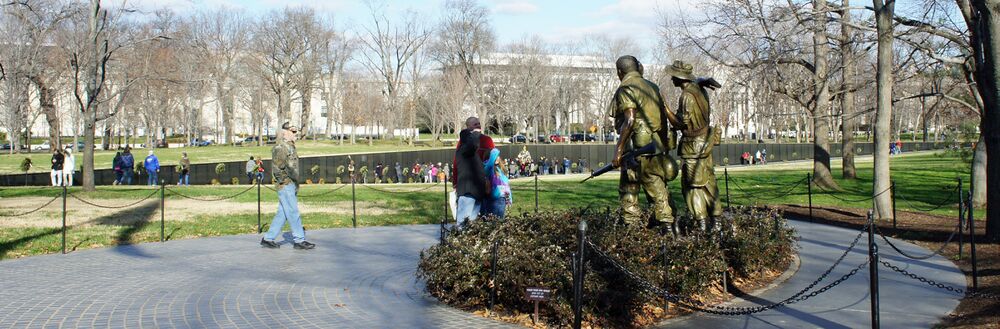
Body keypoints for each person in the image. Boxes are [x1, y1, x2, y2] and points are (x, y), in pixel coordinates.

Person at [609, 55, 678, 228]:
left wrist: (618, 150)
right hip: (655, 145)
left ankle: (634, 226)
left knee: (631, 189)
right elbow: (663, 118)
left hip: (637, 148)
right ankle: (668, 225)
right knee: (656, 185)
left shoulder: (626, 88)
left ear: (619, 71)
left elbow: (630, 120)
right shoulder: (652, 86)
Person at [667, 60, 723, 230]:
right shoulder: (699, 90)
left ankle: (702, 224)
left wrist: (665, 109)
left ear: (680, 77)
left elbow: (681, 123)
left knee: (692, 187)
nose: (671, 79)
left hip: (693, 147)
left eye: (673, 76)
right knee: (709, 182)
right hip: (705, 142)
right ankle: (717, 221)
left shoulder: (686, 96)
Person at [260, 122, 315, 250]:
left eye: (296, 131)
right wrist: (286, 182)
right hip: (286, 185)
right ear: (285, 132)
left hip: (291, 184)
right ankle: (299, 240)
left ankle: (268, 238)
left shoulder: (290, 147)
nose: (296, 134)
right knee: (293, 212)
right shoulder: (281, 148)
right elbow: (277, 170)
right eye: (293, 131)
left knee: (283, 213)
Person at [454, 117, 491, 225]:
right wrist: (475, 134)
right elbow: (472, 145)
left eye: (479, 123)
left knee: (472, 223)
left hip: (477, 191)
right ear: (469, 127)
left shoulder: (472, 151)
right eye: (475, 124)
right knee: (463, 223)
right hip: (468, 192)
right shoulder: (464, 147)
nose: (478, 125)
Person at [481, 148, 511, 219]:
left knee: (498, 221)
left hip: (502, 199)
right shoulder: (488, 168)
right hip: (493, 199)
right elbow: (490, 164)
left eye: (498, 156)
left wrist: (509, 199)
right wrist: (494, 151)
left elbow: (506, 186)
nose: (497, 158)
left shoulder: (500, 169)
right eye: (495, 156)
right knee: (493, 221)